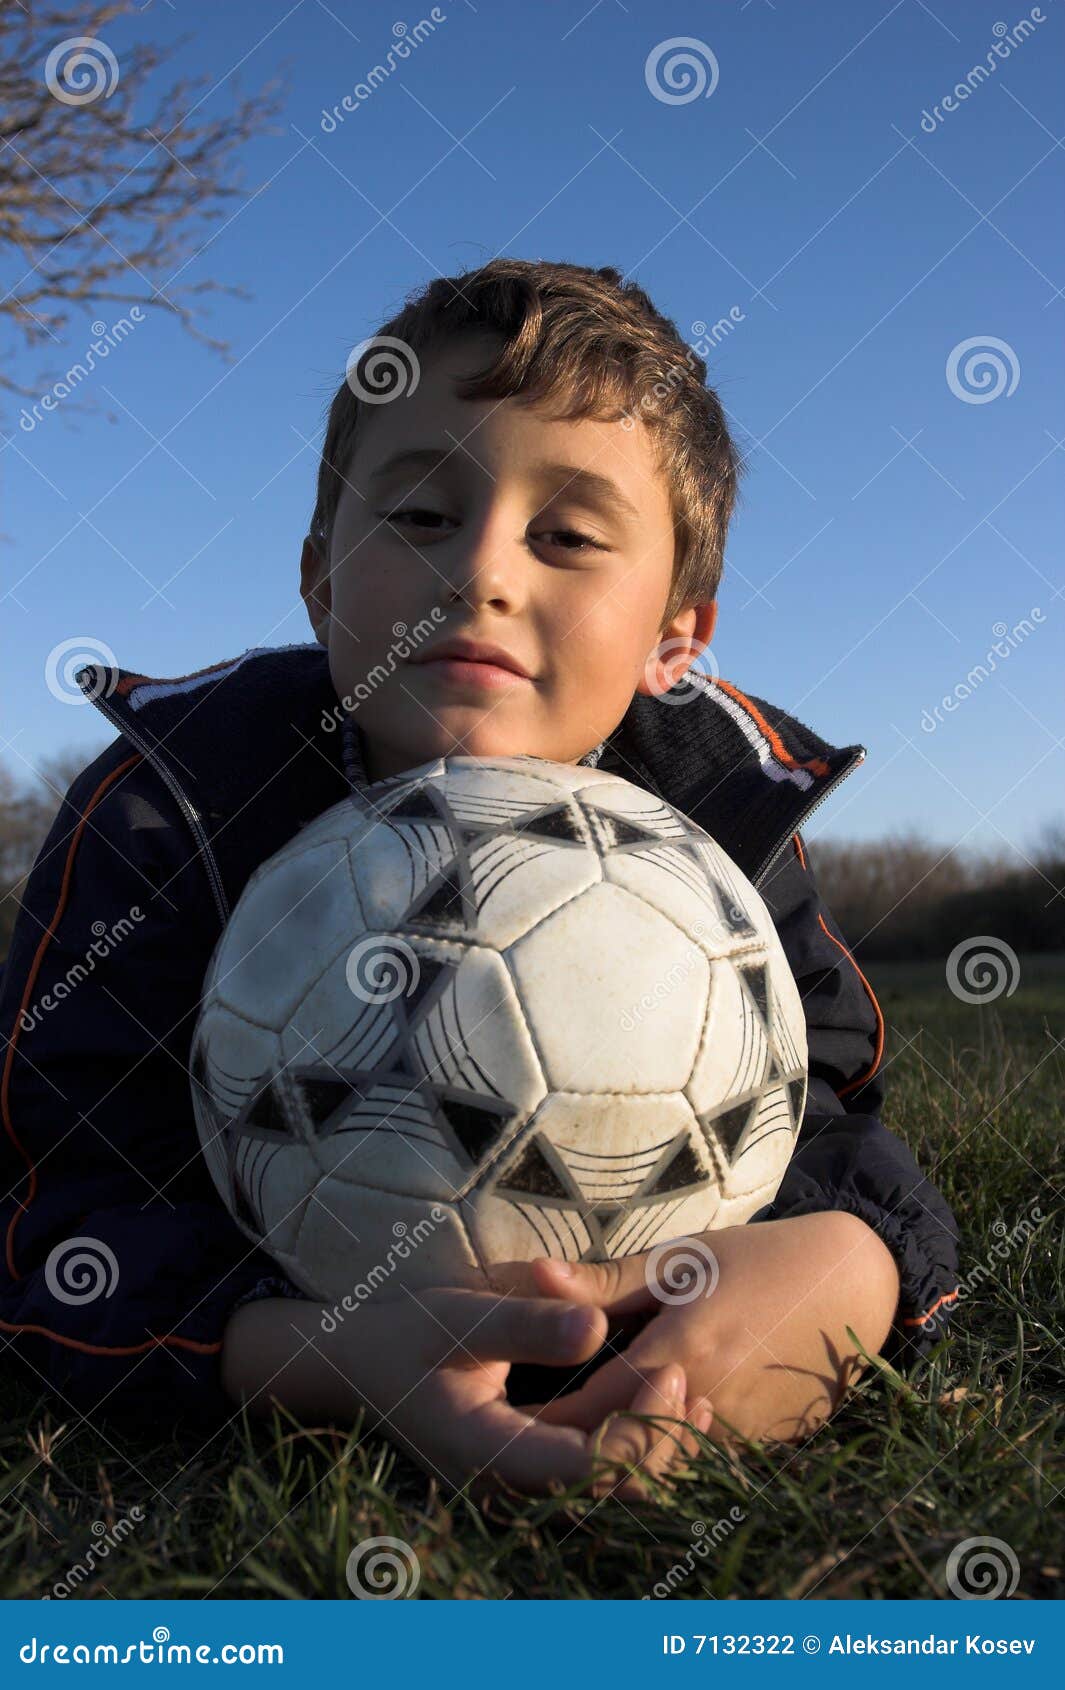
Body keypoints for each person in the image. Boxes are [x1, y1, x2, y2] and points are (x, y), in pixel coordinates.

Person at [0, 259, 958, 1504]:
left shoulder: (727, 813)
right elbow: (52, 1210)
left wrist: (844, 1272)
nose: (483, 575)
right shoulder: (169, 804)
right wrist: (322, 1356)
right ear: (320, 577)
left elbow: (833, 1133)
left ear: (679, 635)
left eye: (566, 534)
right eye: (418, 518)